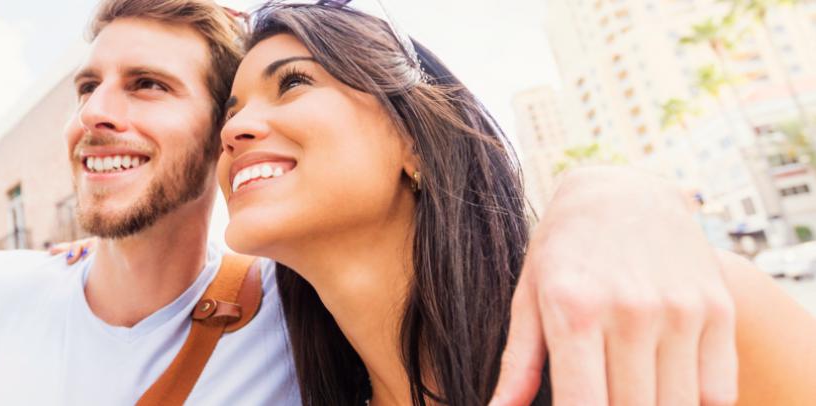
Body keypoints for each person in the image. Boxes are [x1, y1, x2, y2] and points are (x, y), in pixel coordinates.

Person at [214, 2, 816, 405]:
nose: (234, 131)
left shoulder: (672, 327)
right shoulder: (275, 382)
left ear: (414, 142)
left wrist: (615, 188)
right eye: (231, 110)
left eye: (293, 82)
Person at [0, 1, 300, 404]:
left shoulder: (294, 317)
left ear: (224, 130)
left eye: (148, 84)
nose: (94, 112)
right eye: (87, 88)